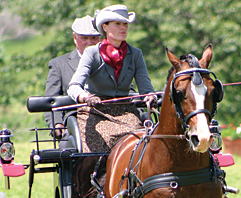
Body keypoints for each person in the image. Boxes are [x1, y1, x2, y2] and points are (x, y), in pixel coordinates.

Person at [67, 4, 157, 153]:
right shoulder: (92, 53)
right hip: (96, 111)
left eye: (125, 24)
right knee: (97, 149)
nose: (123, 28)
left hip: (126, 111)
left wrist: (150, 96)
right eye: (118, 24)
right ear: (105, 27)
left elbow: (146, 88)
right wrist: (85, 97)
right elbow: (74, 86)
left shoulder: (136, 54)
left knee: (141, 142)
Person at [44, 16, 101, 146]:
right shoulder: (59, 64)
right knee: (66, 149)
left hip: (109, 116)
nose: (89, 42)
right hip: (75, 122)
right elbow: (51, 99)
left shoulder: (111, 62)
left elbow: (127, 90)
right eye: (84, 38)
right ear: (75, 38)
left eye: (94, 38)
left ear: (101, 39)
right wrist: (57, 123)